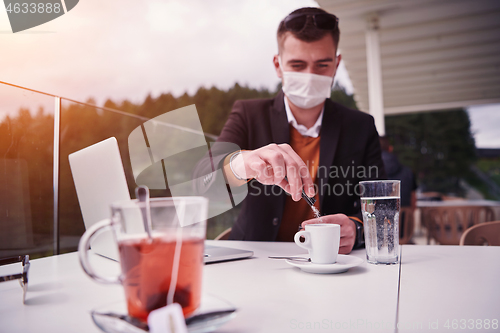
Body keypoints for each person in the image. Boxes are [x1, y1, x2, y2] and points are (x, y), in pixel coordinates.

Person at [195, 7, 386, 254]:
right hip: (256, 258)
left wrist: (357, 227)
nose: (309, 76)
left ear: (336, 64)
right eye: (297, 65)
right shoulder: (249, 114)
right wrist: (242, 163)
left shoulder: (360, 126)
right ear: (278, 65)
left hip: (330, 262)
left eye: (322, 65)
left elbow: (381, 206)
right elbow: (202, 182)